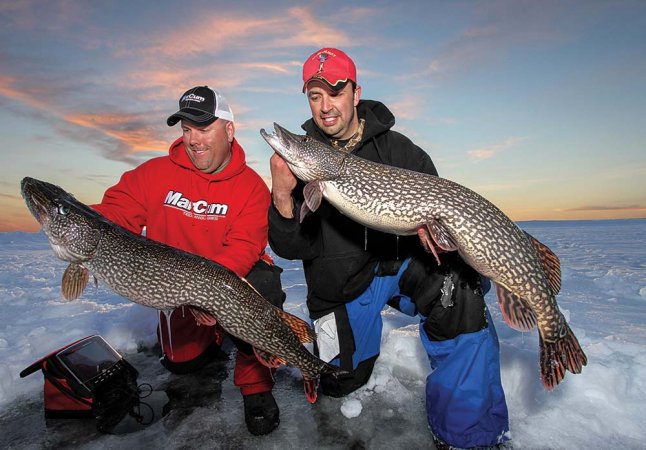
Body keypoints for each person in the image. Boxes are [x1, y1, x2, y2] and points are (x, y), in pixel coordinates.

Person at [268, 48, 510, 449]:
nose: (326, 106)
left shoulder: (399, 149)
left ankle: (469, 435)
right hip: (343, 283)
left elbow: (442, 207)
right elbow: (290, 247)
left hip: (405, 266)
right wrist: (281, 195)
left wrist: (444, 238)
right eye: (315, 96)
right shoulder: (303, 161)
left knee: (461, 292)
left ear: (355, 92)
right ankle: (348, 365)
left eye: (336, 92)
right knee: (341, 382)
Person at [92, 86, 284, 436]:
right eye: (186, 129)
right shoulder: (154, 173)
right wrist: (83, 226)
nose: (193, 139)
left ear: (228, 130)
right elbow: (114, 213)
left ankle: (255, 380)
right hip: (175, 285)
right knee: (184, 366)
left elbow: (244, 246)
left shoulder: (252, 188)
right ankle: (210, 341)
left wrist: (205, 292)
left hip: (225, 279)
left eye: (203, 128)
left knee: (265, 282)